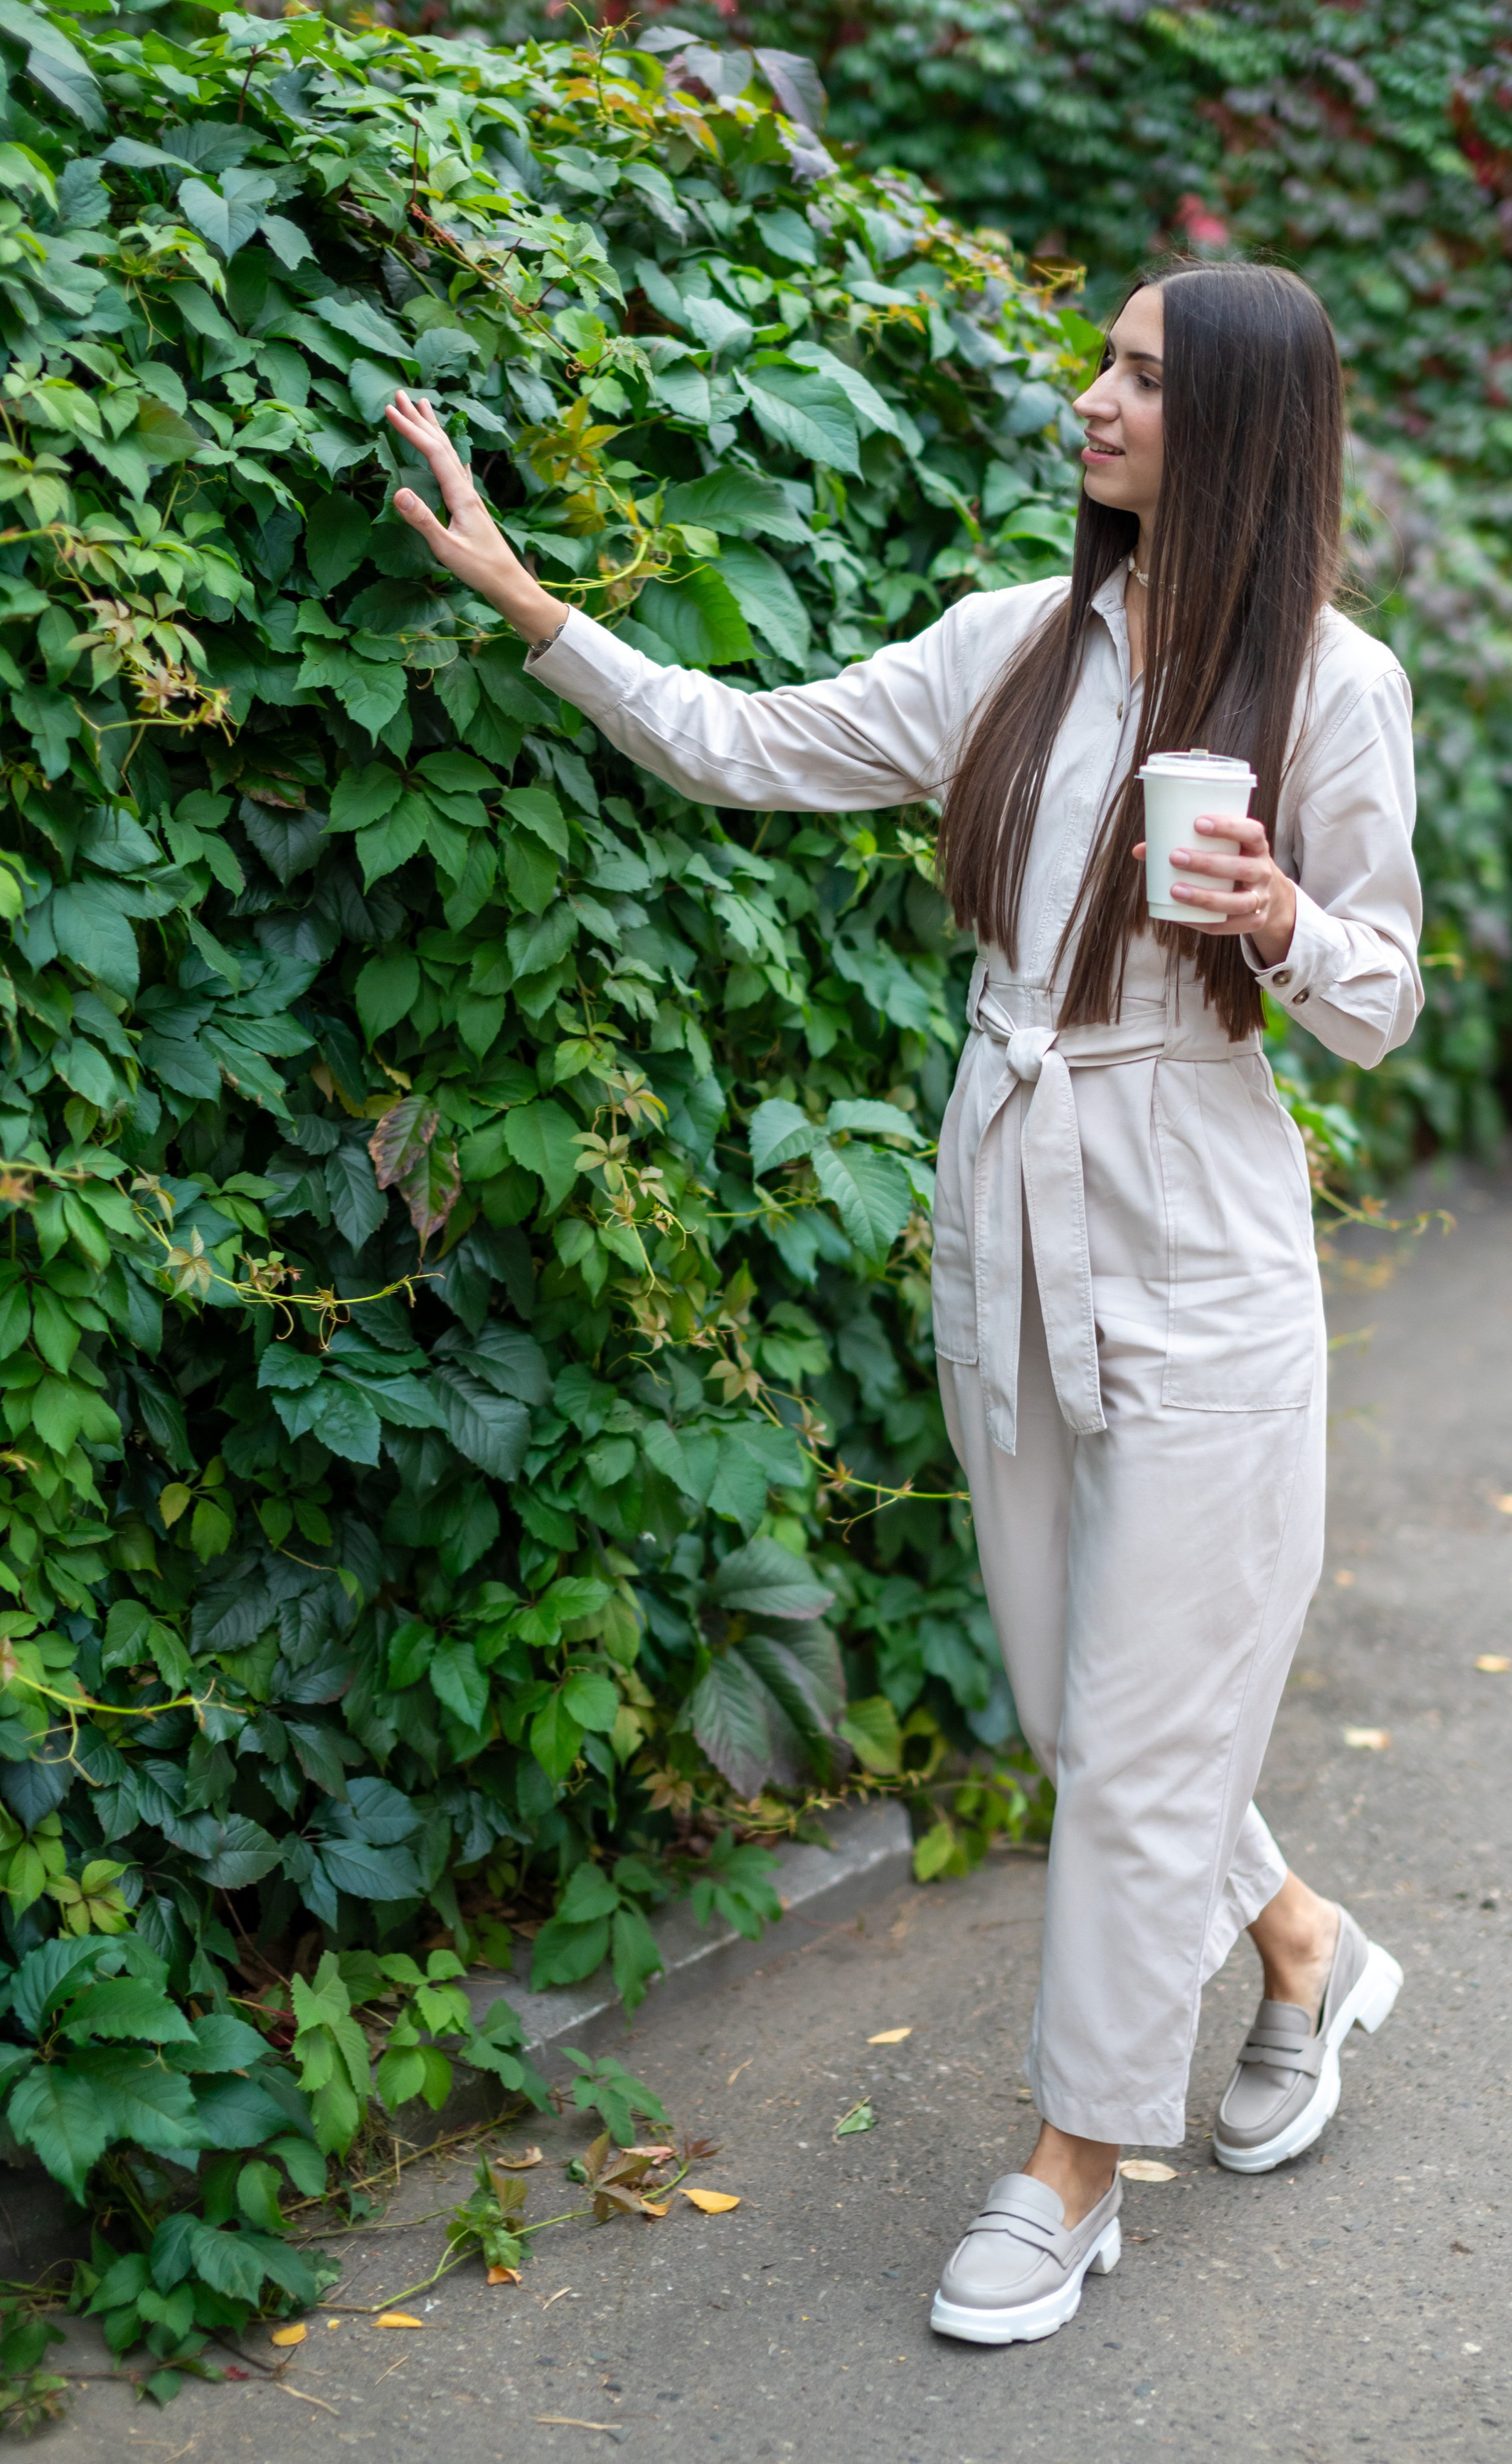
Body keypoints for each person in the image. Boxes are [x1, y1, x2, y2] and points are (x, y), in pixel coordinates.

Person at [383, 258, 1421, 2349]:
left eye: (1137, 375)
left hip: (1202, 1243)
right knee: (1072, 1708)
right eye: (1103, 364)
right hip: (1008, 1218)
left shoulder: (1338, 688)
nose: (1092, 397)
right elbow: (746, 744)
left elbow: (1385, 998)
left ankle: (1072, 2165)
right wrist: (530, 602)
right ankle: (1301, 1940)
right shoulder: (1014, 649)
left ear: (1230, 425)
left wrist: (1290, 917)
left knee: (1134, 1748)